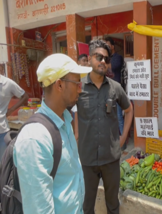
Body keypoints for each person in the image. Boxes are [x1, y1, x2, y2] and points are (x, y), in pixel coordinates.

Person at [13, 53, 91, 214]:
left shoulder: (65, 121)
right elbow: (38, 209)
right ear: (60, 85)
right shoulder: (35, 138)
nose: (80, 89)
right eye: (76, 83)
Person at [77, 39, 133, 214]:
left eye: (106, 59)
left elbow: (129, 110)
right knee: (87, 205)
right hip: (87, 159)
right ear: (89, 58)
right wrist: (75, 137)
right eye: (98, 57)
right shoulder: (79, 88)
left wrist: (122, 139)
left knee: (112, 204)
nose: (103, 61)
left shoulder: (115, 88)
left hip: (111, 159)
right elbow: (69, 113)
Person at [0, 53, 28, 174]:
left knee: (2, 168)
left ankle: (0, 192)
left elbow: (24, 96)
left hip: (1, 133)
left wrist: (10, 110)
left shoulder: (7, 83)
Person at [105, 37, 125, 136]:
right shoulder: (105, 59)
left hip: (116, 92)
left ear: (112, 46)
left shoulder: (118, 57)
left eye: (108, 45)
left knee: (118, 117)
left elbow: (110, 68)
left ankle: (123, 142)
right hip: (107, 91)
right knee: (108, 116)